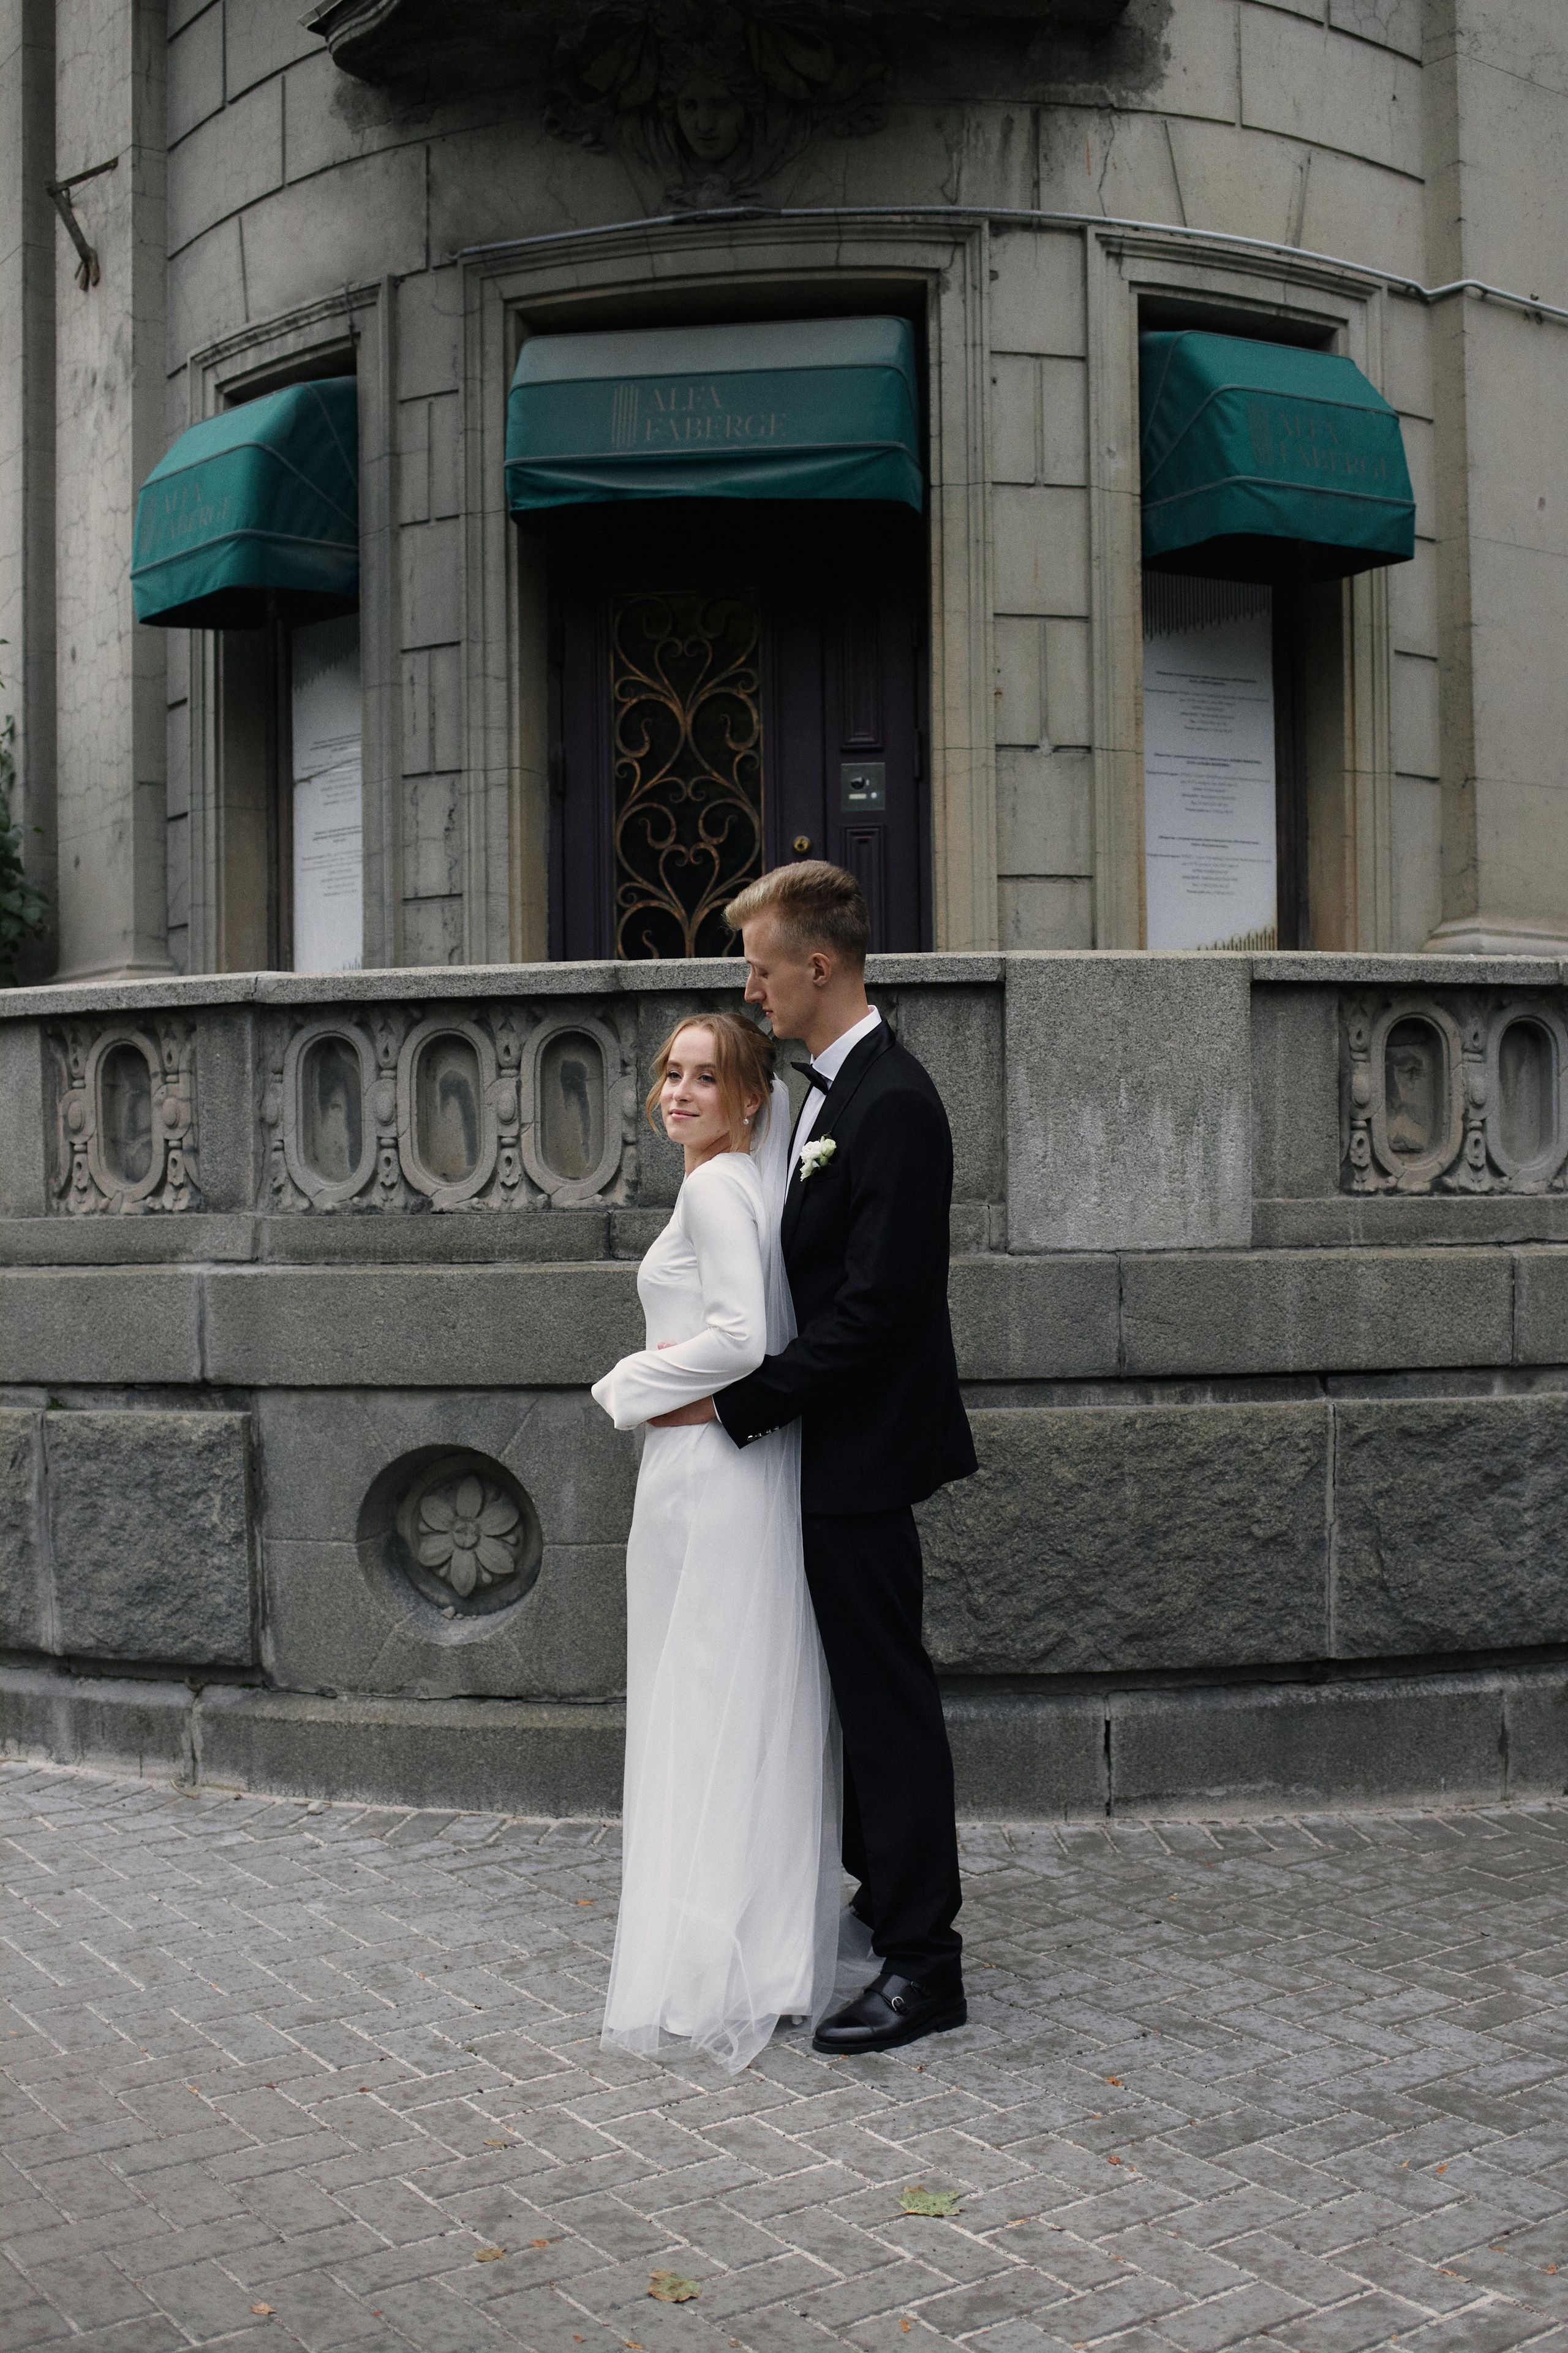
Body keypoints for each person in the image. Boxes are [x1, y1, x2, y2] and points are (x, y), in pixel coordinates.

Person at [648, 861, 978, 2057]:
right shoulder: (820, 1097)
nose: (751, 987)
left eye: (761, 965)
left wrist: (731, 1406)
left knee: (886, 1706)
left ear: (818, 967)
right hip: (817, 1452)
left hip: (861, 1455)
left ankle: (923, 1965)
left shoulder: (891, 1101)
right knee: (840, 1698)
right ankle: (872, 1899)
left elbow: (874, 1313)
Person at [590, 1012, 839, 2073]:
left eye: (706, 1077)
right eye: (671, 1074)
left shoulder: (713, 1188)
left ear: (750, 1100)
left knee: (705, 1698)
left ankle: (715, 1961)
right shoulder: (742, 1185)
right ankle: (755, 1953)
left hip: (706, 1475)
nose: (679, 1092)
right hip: (719, 1468)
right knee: (735, 1701)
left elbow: (741, 1337)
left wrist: (625, 1389)